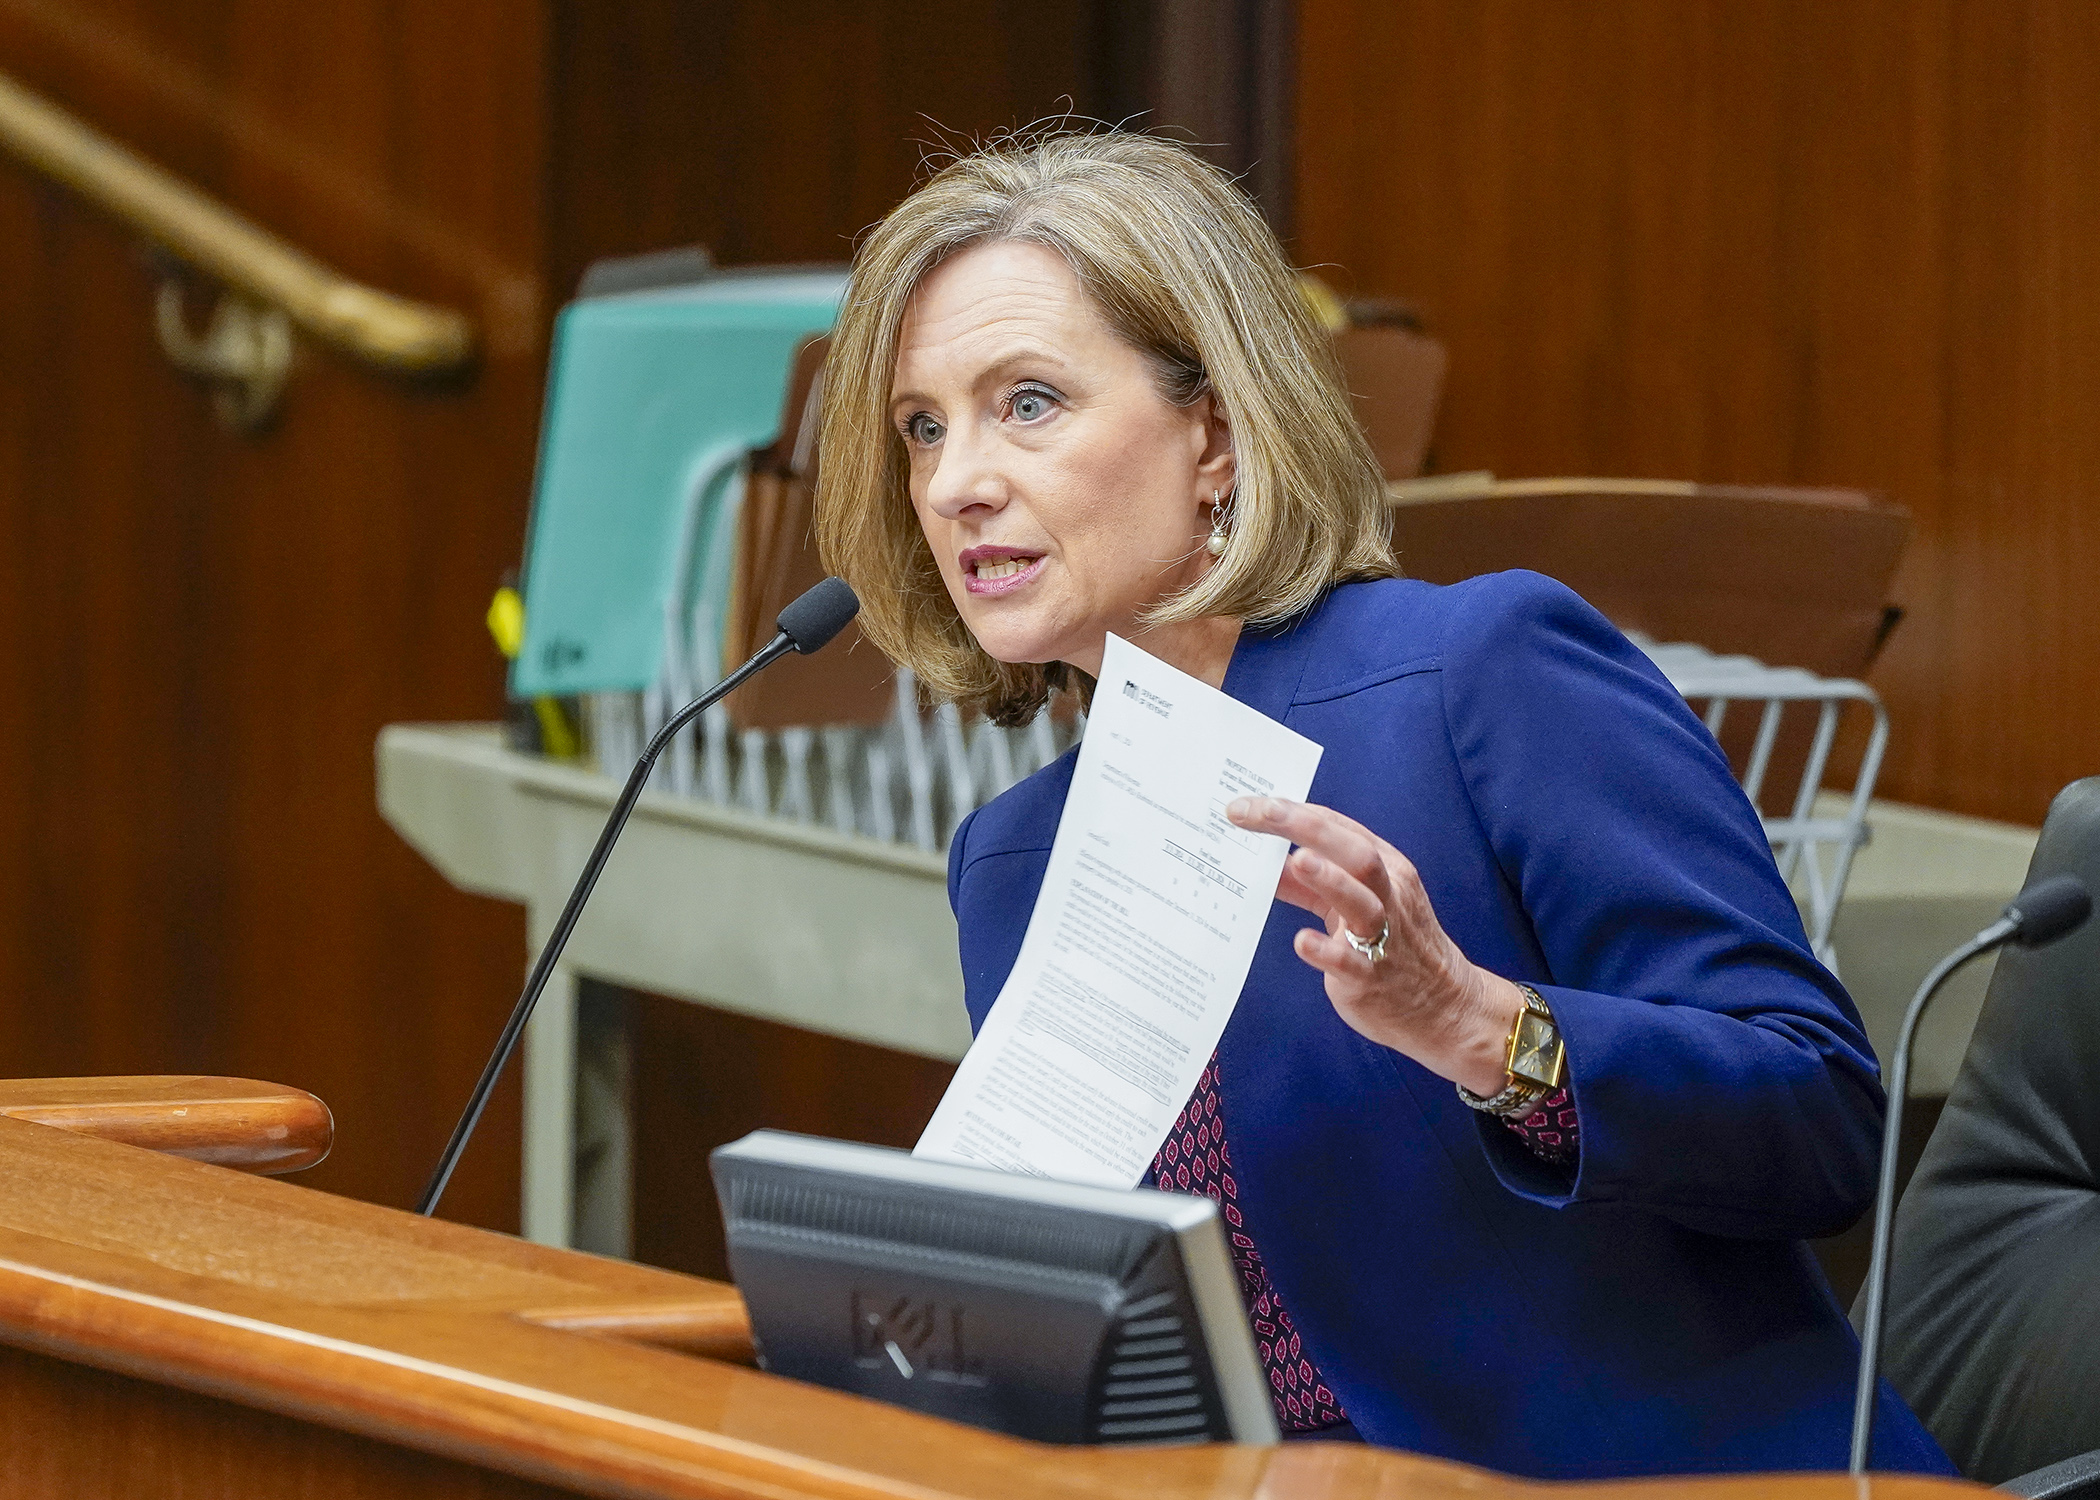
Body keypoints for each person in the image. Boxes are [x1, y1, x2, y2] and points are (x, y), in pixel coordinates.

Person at [813, 130, 1953, 1480]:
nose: (956, 483)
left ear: (1217, 438)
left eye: (1030, 404)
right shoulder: (1014, 862)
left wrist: (1488, 1032)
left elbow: (1822, 1127)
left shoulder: (1480, 677)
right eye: (923, 428)